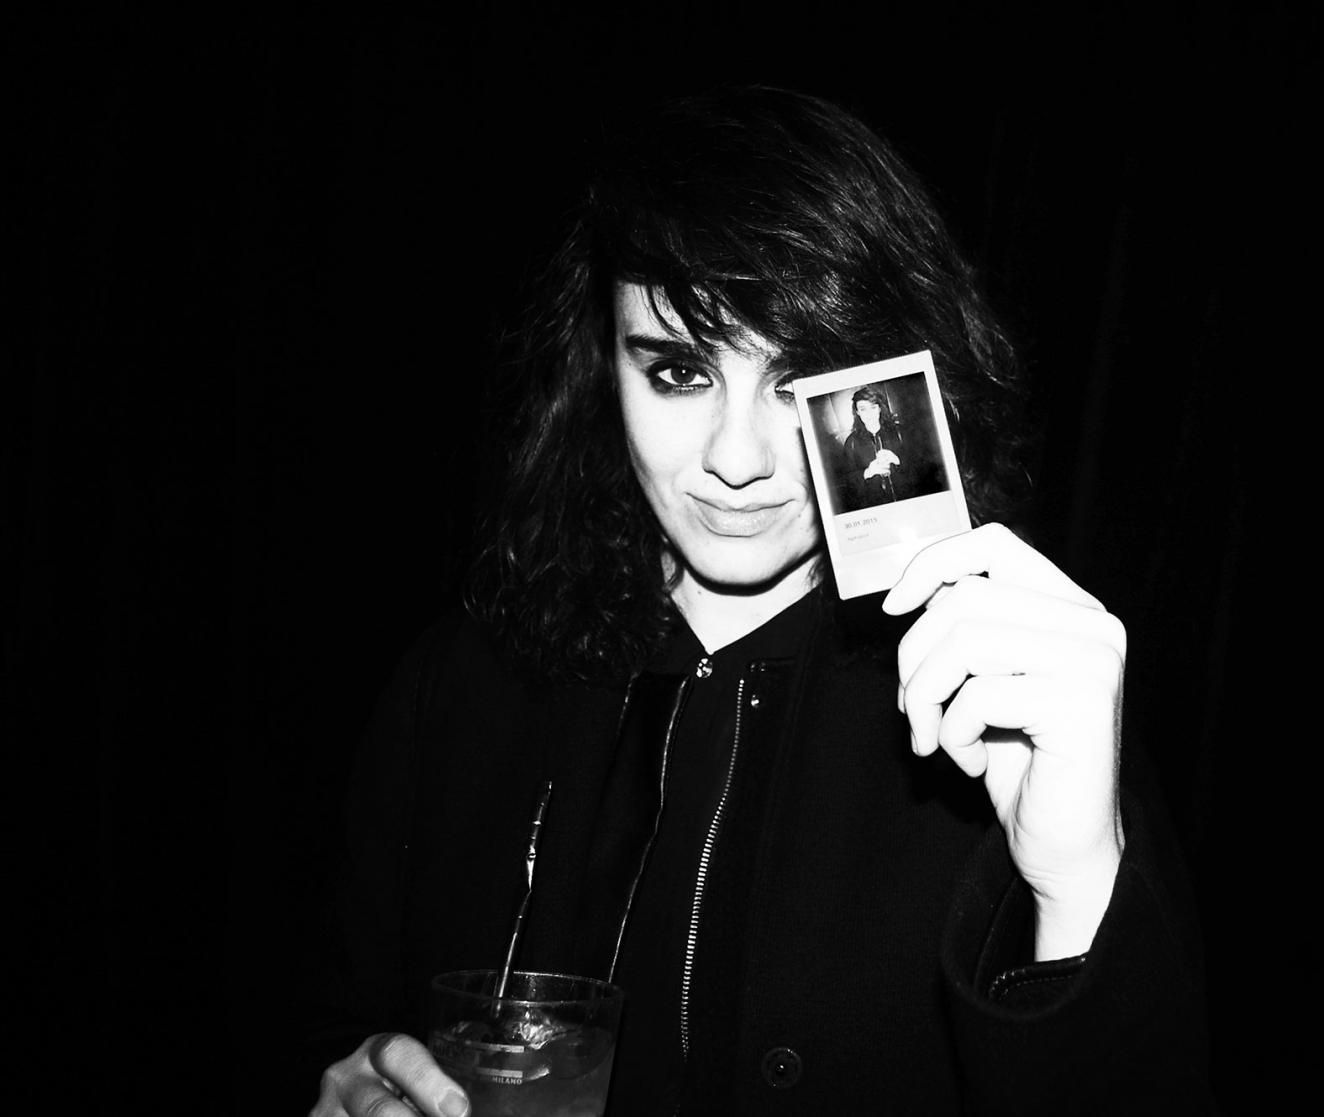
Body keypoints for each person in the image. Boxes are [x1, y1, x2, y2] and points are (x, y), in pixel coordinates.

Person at [308, 86, 1212, 1115]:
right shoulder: (457, 687)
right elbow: (343, 1021)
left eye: (797, 381)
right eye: (679, 372)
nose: (737, 459)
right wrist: (349, 1082)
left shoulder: (1002, 705)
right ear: (601, 370)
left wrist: (1077, 884)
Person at [841, 383, 914, 508]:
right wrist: (868, 472)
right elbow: (848, 482)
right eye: (863, 409)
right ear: (857, 412)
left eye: (873, 407)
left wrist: (898, 460)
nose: (869, 414)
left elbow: (922, 467)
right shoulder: (851, 442)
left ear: (880, 408)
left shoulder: (900, 432)